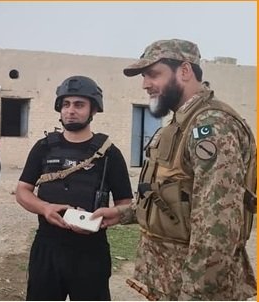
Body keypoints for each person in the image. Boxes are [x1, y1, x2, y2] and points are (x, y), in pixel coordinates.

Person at [92, 39, 257, 300]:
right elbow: (174, 195)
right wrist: (122, 214)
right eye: (144, 76)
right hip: (169, 279)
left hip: (194, 288)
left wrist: (194, 295)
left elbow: (217, 228)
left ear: (184, 71)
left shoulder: (212, 126)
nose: (145, 84)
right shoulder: (179, 124)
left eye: (153, 74)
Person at [15, 75, 133, 300]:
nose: (71, 111)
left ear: (93, 110)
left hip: (91, 252)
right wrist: (45, 208)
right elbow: (22, 191)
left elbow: (125, 204)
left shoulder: (110, 154)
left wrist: (104, 219)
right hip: (47, 247)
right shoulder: (43, 148)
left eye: (79, 105)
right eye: (66, 104)